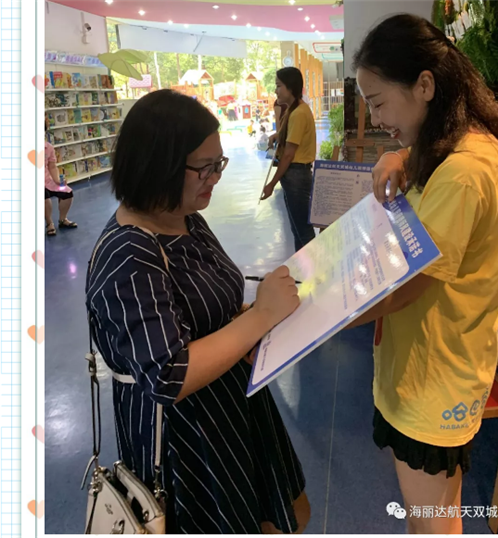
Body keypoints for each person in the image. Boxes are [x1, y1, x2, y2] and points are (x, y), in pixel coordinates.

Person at [85, 90, 310, 534]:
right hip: (188, 440)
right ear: (159, 165)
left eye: (218, 164)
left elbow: (209, 308)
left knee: (278, 514)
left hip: (231, 406)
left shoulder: (185, 218)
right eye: (205, 168)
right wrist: (259, 318)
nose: (216, 178)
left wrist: (251, 315)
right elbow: (167, 375)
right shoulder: (129, 254)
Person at [348, 14, 498, 534]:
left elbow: (406, 287)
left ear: (424, 85)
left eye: (379, 102)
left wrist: (314, 310)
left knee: (432, 525)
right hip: (426, 368)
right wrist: (400, 154)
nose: (375, 118)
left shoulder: (464, 170)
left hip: (435, 379)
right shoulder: (451, 146)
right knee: (437, 517)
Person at [261, 68, 317, 252]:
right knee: (297, 229)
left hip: (296, 175)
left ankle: (313, 266)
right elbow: (291, 135)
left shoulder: (299, 113)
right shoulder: (294, 110)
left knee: (303, 231)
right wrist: (277, 135)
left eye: (279, 86)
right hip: (294, 176)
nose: (275, 90)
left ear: (290, 87)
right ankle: (301, 266)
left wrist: (271, 184)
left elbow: (288, 154)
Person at [44, 120, 77, 236]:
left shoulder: (48, 147)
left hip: (47, 181)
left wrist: (57, 180)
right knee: (44, 196)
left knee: (67, 192)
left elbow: (52, 166)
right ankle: (49, 223)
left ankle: (63, 219)